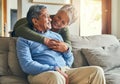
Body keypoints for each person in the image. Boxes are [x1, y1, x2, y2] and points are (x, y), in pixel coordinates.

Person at [16, 5, 106, 84]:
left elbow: (70, 59)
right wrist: (54, 68)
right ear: (35, 21)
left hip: (64, 71)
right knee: (55, 77)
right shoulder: (23, 39)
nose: (51, 19)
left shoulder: (58, 36)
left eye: (63, 22)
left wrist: (66, 52)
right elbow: (27, 65)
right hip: (42, 73)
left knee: (97, 71)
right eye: (47, 16)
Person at [12, 4, 77, 51]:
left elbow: (69, 45)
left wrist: (66, 48)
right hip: (18, 29)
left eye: (63, 22)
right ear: (57, 12)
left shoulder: (64, 30)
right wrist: (45, 40)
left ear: (67, 25)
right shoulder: (44, 19)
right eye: (58, 17)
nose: (58, 22)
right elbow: (19, 30)